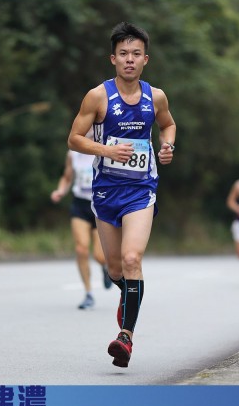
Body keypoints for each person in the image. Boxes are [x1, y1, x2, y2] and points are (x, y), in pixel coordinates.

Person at [67, 22, 176, 368]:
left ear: (146, 59)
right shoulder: (98, 96)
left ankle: (125, 337)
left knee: (131, 260)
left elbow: (168, 124)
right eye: (124, 54)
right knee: (115, 267)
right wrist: (106, 151)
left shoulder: (155, 96)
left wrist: (168, 145)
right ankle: (128, 295)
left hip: (141, 191)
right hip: (105, 191)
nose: (130, 59)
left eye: (136, 54)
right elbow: (74, 139)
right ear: (113, 58)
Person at [51, 142, 113, 310]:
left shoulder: (105, 149)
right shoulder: (73, 153)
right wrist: (60, 191)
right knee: (81, 249)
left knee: (100, 255)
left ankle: (106, 268)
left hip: (101, 205)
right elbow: (67, 177)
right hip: (80, 205)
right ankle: (88, 293)